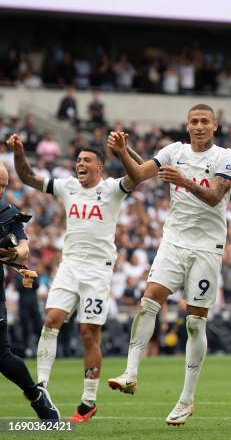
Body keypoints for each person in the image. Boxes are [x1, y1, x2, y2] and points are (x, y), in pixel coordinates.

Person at [106, 103, 231, 426]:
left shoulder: (225, 158)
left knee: (195, 323)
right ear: (187, 125)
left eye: (204, 121)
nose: (198, 126)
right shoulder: (173, 151)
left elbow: (215, 198)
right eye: (193, 121)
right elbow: (138, 175)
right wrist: (124, 153)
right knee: (149, 299)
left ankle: (187, 398)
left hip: (207, 248)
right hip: (174, 241)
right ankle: (130, 372)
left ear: (215, 125)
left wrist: (185, 181)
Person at [8, 133, 141, 423]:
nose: (80, 163)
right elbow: (29, 177)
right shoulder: (67, 187)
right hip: (70, 265)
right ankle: (41, 385)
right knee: (51, 320)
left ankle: (88, 401)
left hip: (97, 270)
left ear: (99, 168)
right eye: (78, 160)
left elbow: (137, 176)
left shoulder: (112, 189)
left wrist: (123, 152)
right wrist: (19, 150)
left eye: (87, 160)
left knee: (88, 334)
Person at [0, 161, 60, 420]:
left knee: (1, 356)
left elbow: (24, 247)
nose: (0, 190)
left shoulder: (7, 211)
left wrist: (14, 252)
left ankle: (35, 395)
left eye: (3, 185)